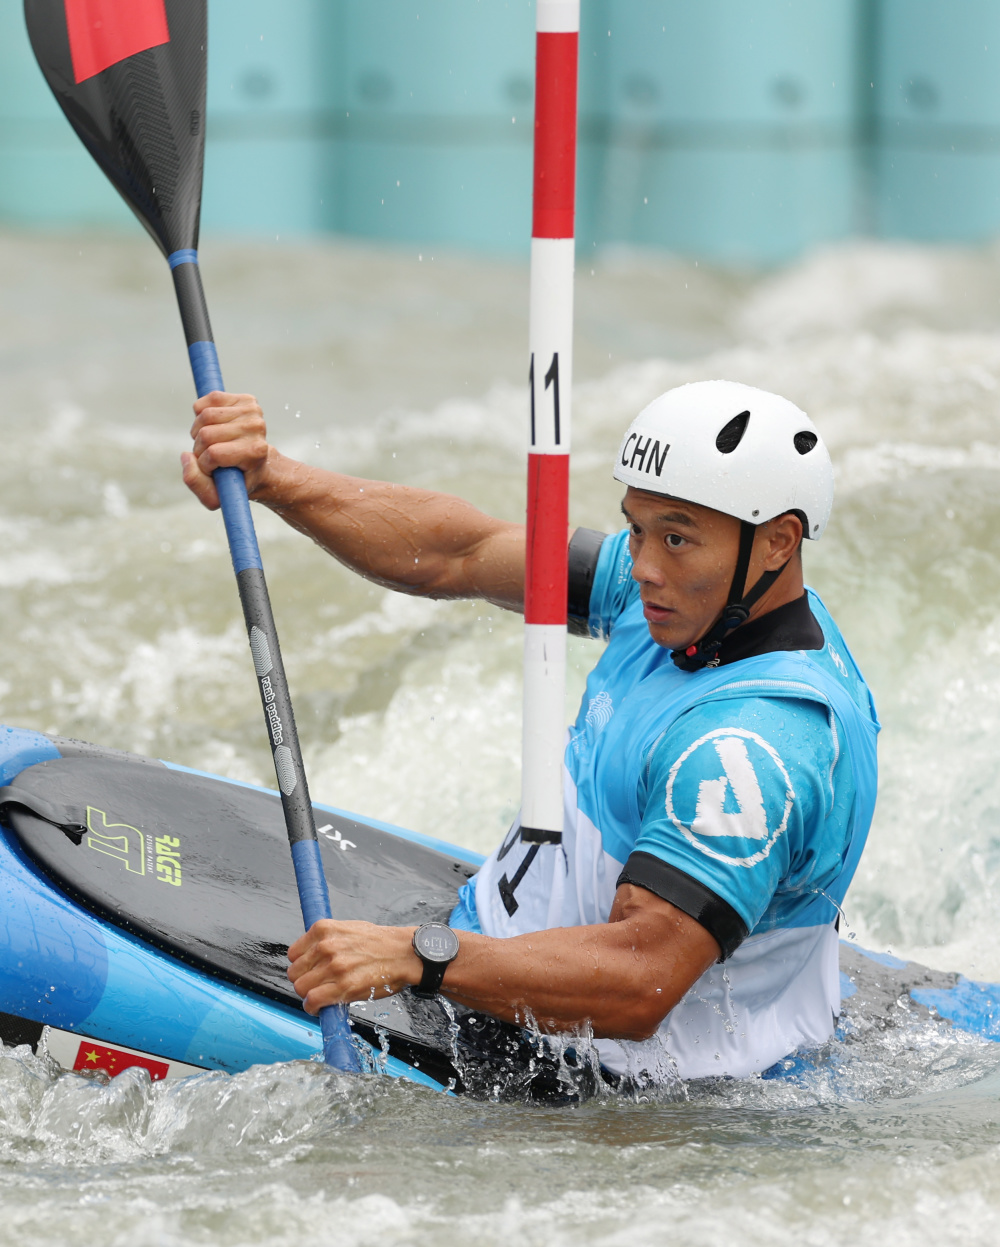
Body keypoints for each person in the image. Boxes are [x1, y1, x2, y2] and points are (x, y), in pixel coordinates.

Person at [182, 379, 878, 1082]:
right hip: (501, 957)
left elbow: (643, 981)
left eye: (675, 538)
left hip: (605, 1074)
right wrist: (276, 478)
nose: (641, 566)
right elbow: (462, 551)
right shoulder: (688, 602)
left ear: (778, 542)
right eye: (636, 529)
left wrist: (420, 956)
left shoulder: (748, 752)